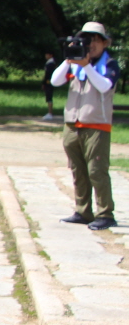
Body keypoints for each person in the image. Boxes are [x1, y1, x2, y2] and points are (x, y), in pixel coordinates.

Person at [53, 22, 119, 230]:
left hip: (96, 125)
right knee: (77, 170)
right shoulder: (74, 63)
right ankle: (83, 211)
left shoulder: (110, 64)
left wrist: (86, 65)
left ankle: (105, 214)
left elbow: (104, 86)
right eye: (86, 40)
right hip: (73, 124)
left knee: (96, 171)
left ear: (104, 43)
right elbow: (55, 81)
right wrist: (69, 58)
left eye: (95, 40)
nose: (90, 44)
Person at [43, 51, 59, 122]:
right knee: (48, 97)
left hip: (48, 82)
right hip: (49, 82)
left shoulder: (50, 63)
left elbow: (47, 75)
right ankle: (49, 112)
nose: (45, 56)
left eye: (47, 54)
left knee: (49, 97)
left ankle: (50, 112)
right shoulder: (51, 63)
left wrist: (44, 83)